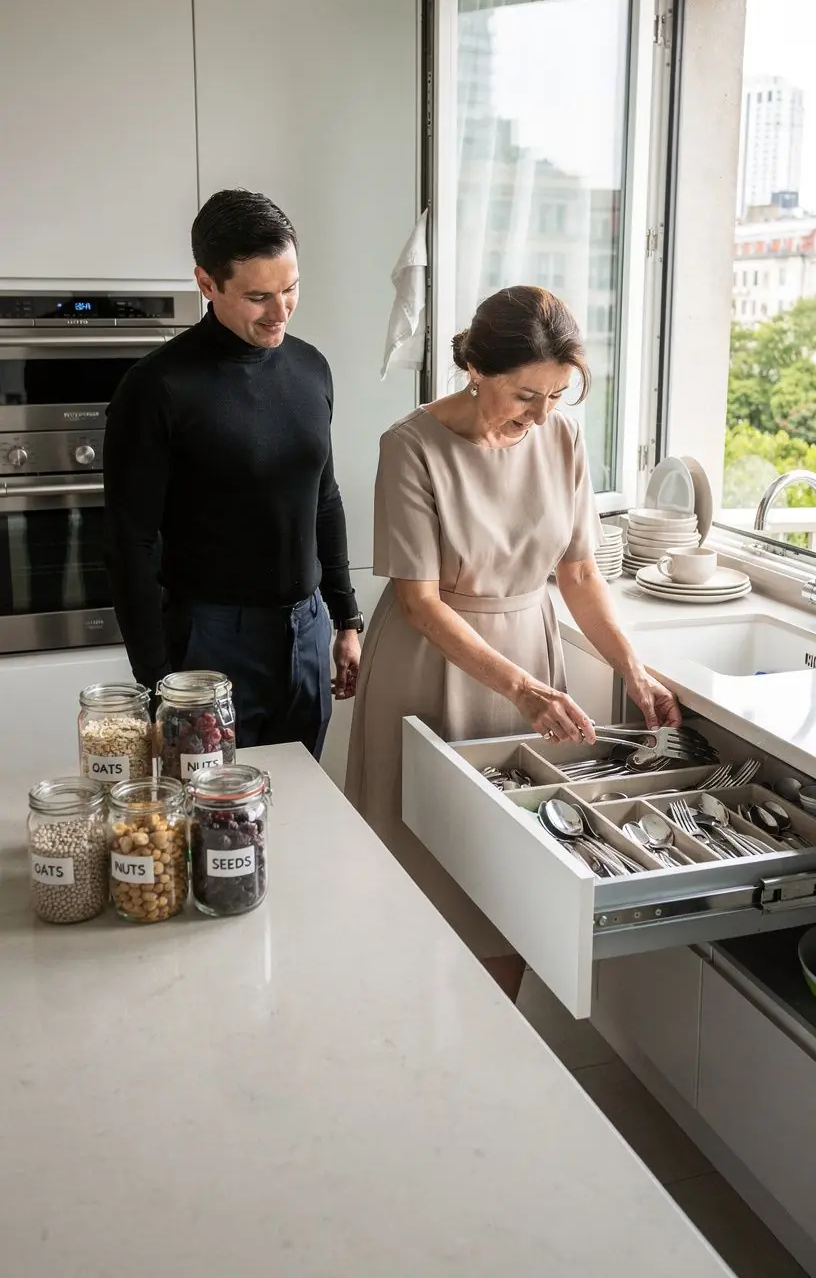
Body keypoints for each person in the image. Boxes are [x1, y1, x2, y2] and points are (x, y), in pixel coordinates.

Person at [345, 286, 682, 997]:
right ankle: (400, 1034)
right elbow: (420, 602)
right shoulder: (411, 446)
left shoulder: (562, 439)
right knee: (418, 869)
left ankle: (494, 1043)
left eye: (556, 395)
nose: (542, 415)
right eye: (526, 395)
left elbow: (581, 573)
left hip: (531, 658)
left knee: (520, 877)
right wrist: (524, 690)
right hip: (430, 667)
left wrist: (633, 669)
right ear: (476, 368)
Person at [104, 189, 363, 757]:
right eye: (258, 296)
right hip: (209, 641)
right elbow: (130, 544)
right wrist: (156, 681)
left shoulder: (311, 368)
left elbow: (323, 497)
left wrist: (346, 617)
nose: (280, 312)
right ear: (207, 282)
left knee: (304, 792)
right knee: (208, 804)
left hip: (307, 630)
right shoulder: (156, 388)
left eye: (291, 288)